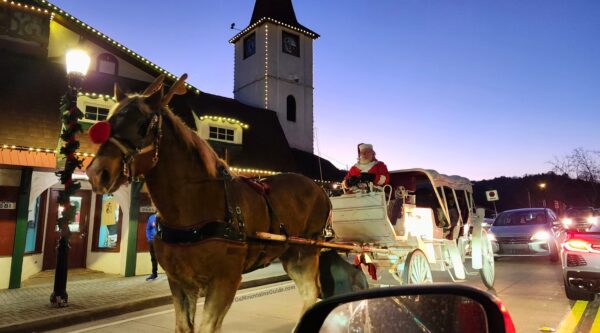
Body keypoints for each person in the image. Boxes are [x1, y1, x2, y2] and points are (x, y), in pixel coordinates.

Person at [146, 213, 158, 281]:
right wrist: (149, 239)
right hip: (152, 241)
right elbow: (148, 229)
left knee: (166, 257)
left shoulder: (164, 217)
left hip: (163, 242)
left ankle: (169, 274)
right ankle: (154, 273)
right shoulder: (151, 218)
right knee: (153, 257)